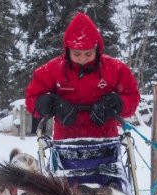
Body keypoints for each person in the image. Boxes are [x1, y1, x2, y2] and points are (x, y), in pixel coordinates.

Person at [25, 12, 140, 140]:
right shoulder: (51, 70)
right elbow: (31, 100)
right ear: (68, 49)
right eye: (77, 54)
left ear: (97, 49)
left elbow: (132, 97)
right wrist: (52, 104)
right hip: (66, 142)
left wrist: (117, 103)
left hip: (106, 141)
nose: (83, 59)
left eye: (88, 54)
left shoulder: (116, 69)